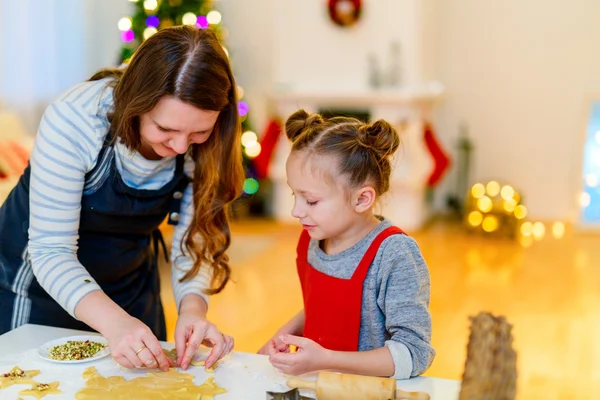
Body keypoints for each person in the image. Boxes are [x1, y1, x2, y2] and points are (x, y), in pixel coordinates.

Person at [0, 26, 243, 372]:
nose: (180, 147)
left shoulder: (211, 142)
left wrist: (192, 310)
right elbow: (51, 251)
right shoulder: (76, 119)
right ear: (137, 103)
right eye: (165, 129)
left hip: (129, 291)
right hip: (37, 293)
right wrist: (114, 324)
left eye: (199, 133)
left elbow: (195, 242)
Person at [258, 110, 435, 379]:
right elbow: (322, 306)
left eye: (311, 200)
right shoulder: (312, 239)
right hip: (317, 385)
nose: (296, 211)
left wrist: (326, 359)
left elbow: (413, 354)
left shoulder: (394, 254)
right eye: (295, 195)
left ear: (362, 199)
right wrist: (284, 334)